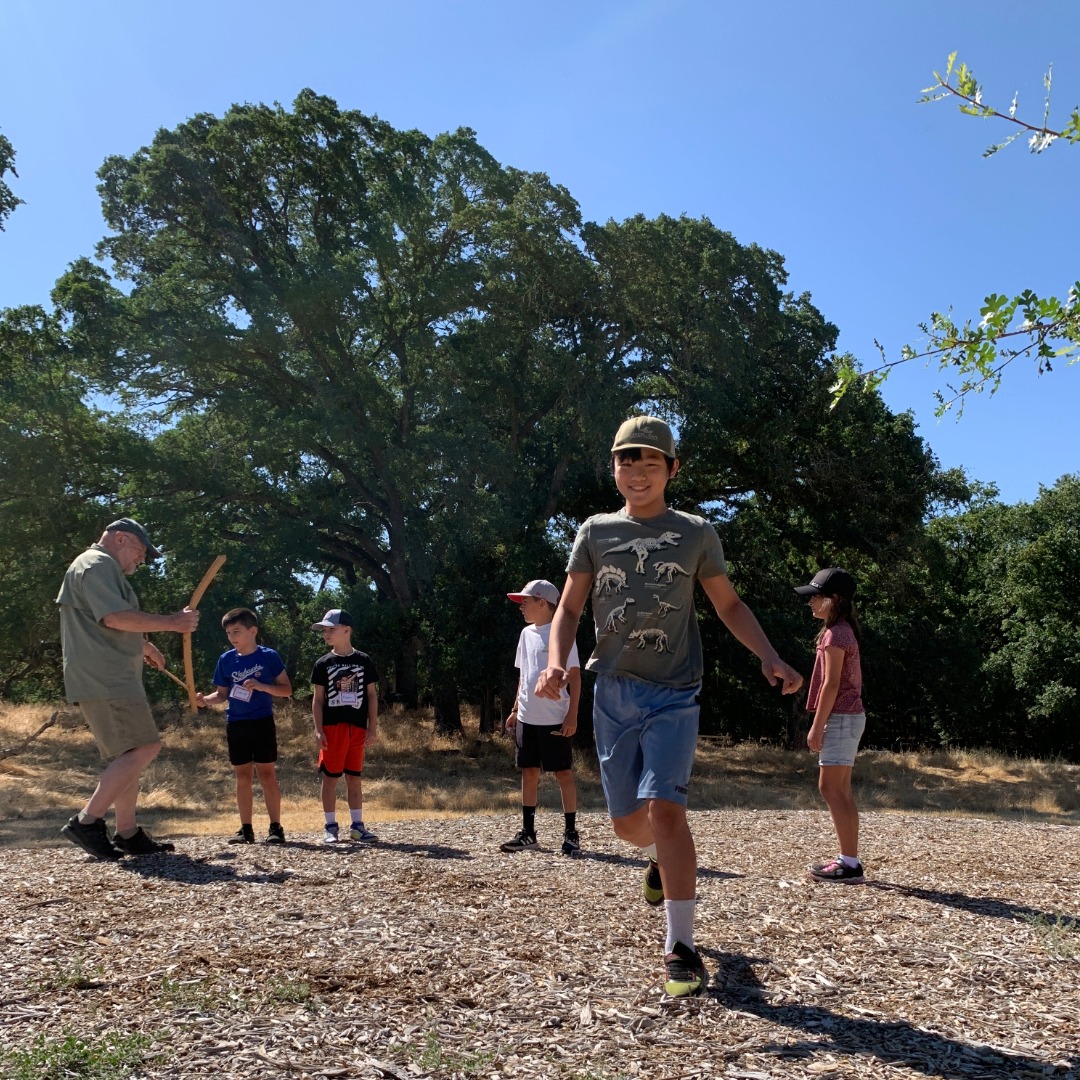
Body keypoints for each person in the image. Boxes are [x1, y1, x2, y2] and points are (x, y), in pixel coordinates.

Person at [535, 416, 804, 997]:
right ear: (613, 468)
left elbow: (728, 605)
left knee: (667, 812)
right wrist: (558, 661)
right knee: (630, 827)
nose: (637, 471)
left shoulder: (695, 533)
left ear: (672, 469)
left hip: (676, 691)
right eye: (626, 460)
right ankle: (657, 859)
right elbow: (569, 609)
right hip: (612, 691)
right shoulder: (596, 531)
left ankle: (679, 945)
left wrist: (770, 656)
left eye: (650, 461)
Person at [55, 518, 200, 859]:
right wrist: (170, 623)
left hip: (107, 674)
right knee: (146, 747)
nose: (143, 559)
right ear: (121, 538)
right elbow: (114, 617)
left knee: (130, 752)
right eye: (140, 550)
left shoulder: (98, 567)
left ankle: (127, 832)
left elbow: (109, 621)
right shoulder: (97, 564)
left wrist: (144, 647)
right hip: (107, 676)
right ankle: (86, 821)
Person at [195, 607, 292, 845]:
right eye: (228, 633)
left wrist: (263, 686)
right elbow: (221, 695)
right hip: (236, 723)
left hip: (262, 721)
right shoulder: (226, 660)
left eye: (236, 631)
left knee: (267, 774)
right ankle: (246, 829)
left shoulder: (269, 656)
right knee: (242, 776)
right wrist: (205, 700)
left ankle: (275, 828)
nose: (232, 637)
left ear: (253, 631)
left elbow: (286, 690)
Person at [500, 579, 582, 856]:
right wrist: (514, 711)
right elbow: (523, 675)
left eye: (526, 601)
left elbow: (575, 676)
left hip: (556, 718)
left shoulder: (562, 634)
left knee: (563, 774)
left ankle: (571, 833)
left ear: (543, 603)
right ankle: (528, 833)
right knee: (529, 772)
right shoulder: (525, 634)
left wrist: (572, 715)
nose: (521, 606)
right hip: (526, 716)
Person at [794, 567, 866, 884]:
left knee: (830, 788)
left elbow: (831, 685)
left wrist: (816, 726)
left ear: (833, 600)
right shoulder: (842, 631)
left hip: (840, 717)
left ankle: (849, 864)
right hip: (850, 716)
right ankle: (848, 859)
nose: (810, 603)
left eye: (815, 598)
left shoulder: (835, 634)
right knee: (841, 790)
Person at [310, 609, 379, 844]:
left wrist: (373, 727)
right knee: (330, 778)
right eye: (324, 630)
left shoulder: (363, 660)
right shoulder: (323, 663)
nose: (326, 633)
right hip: (332, 729)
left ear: (346, 630)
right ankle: (330, 827)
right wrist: (319, 729)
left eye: (331, 629)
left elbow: (371, 695)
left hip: (357, 728)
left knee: (354, 777)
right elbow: (317, 700)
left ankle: (357, 826)